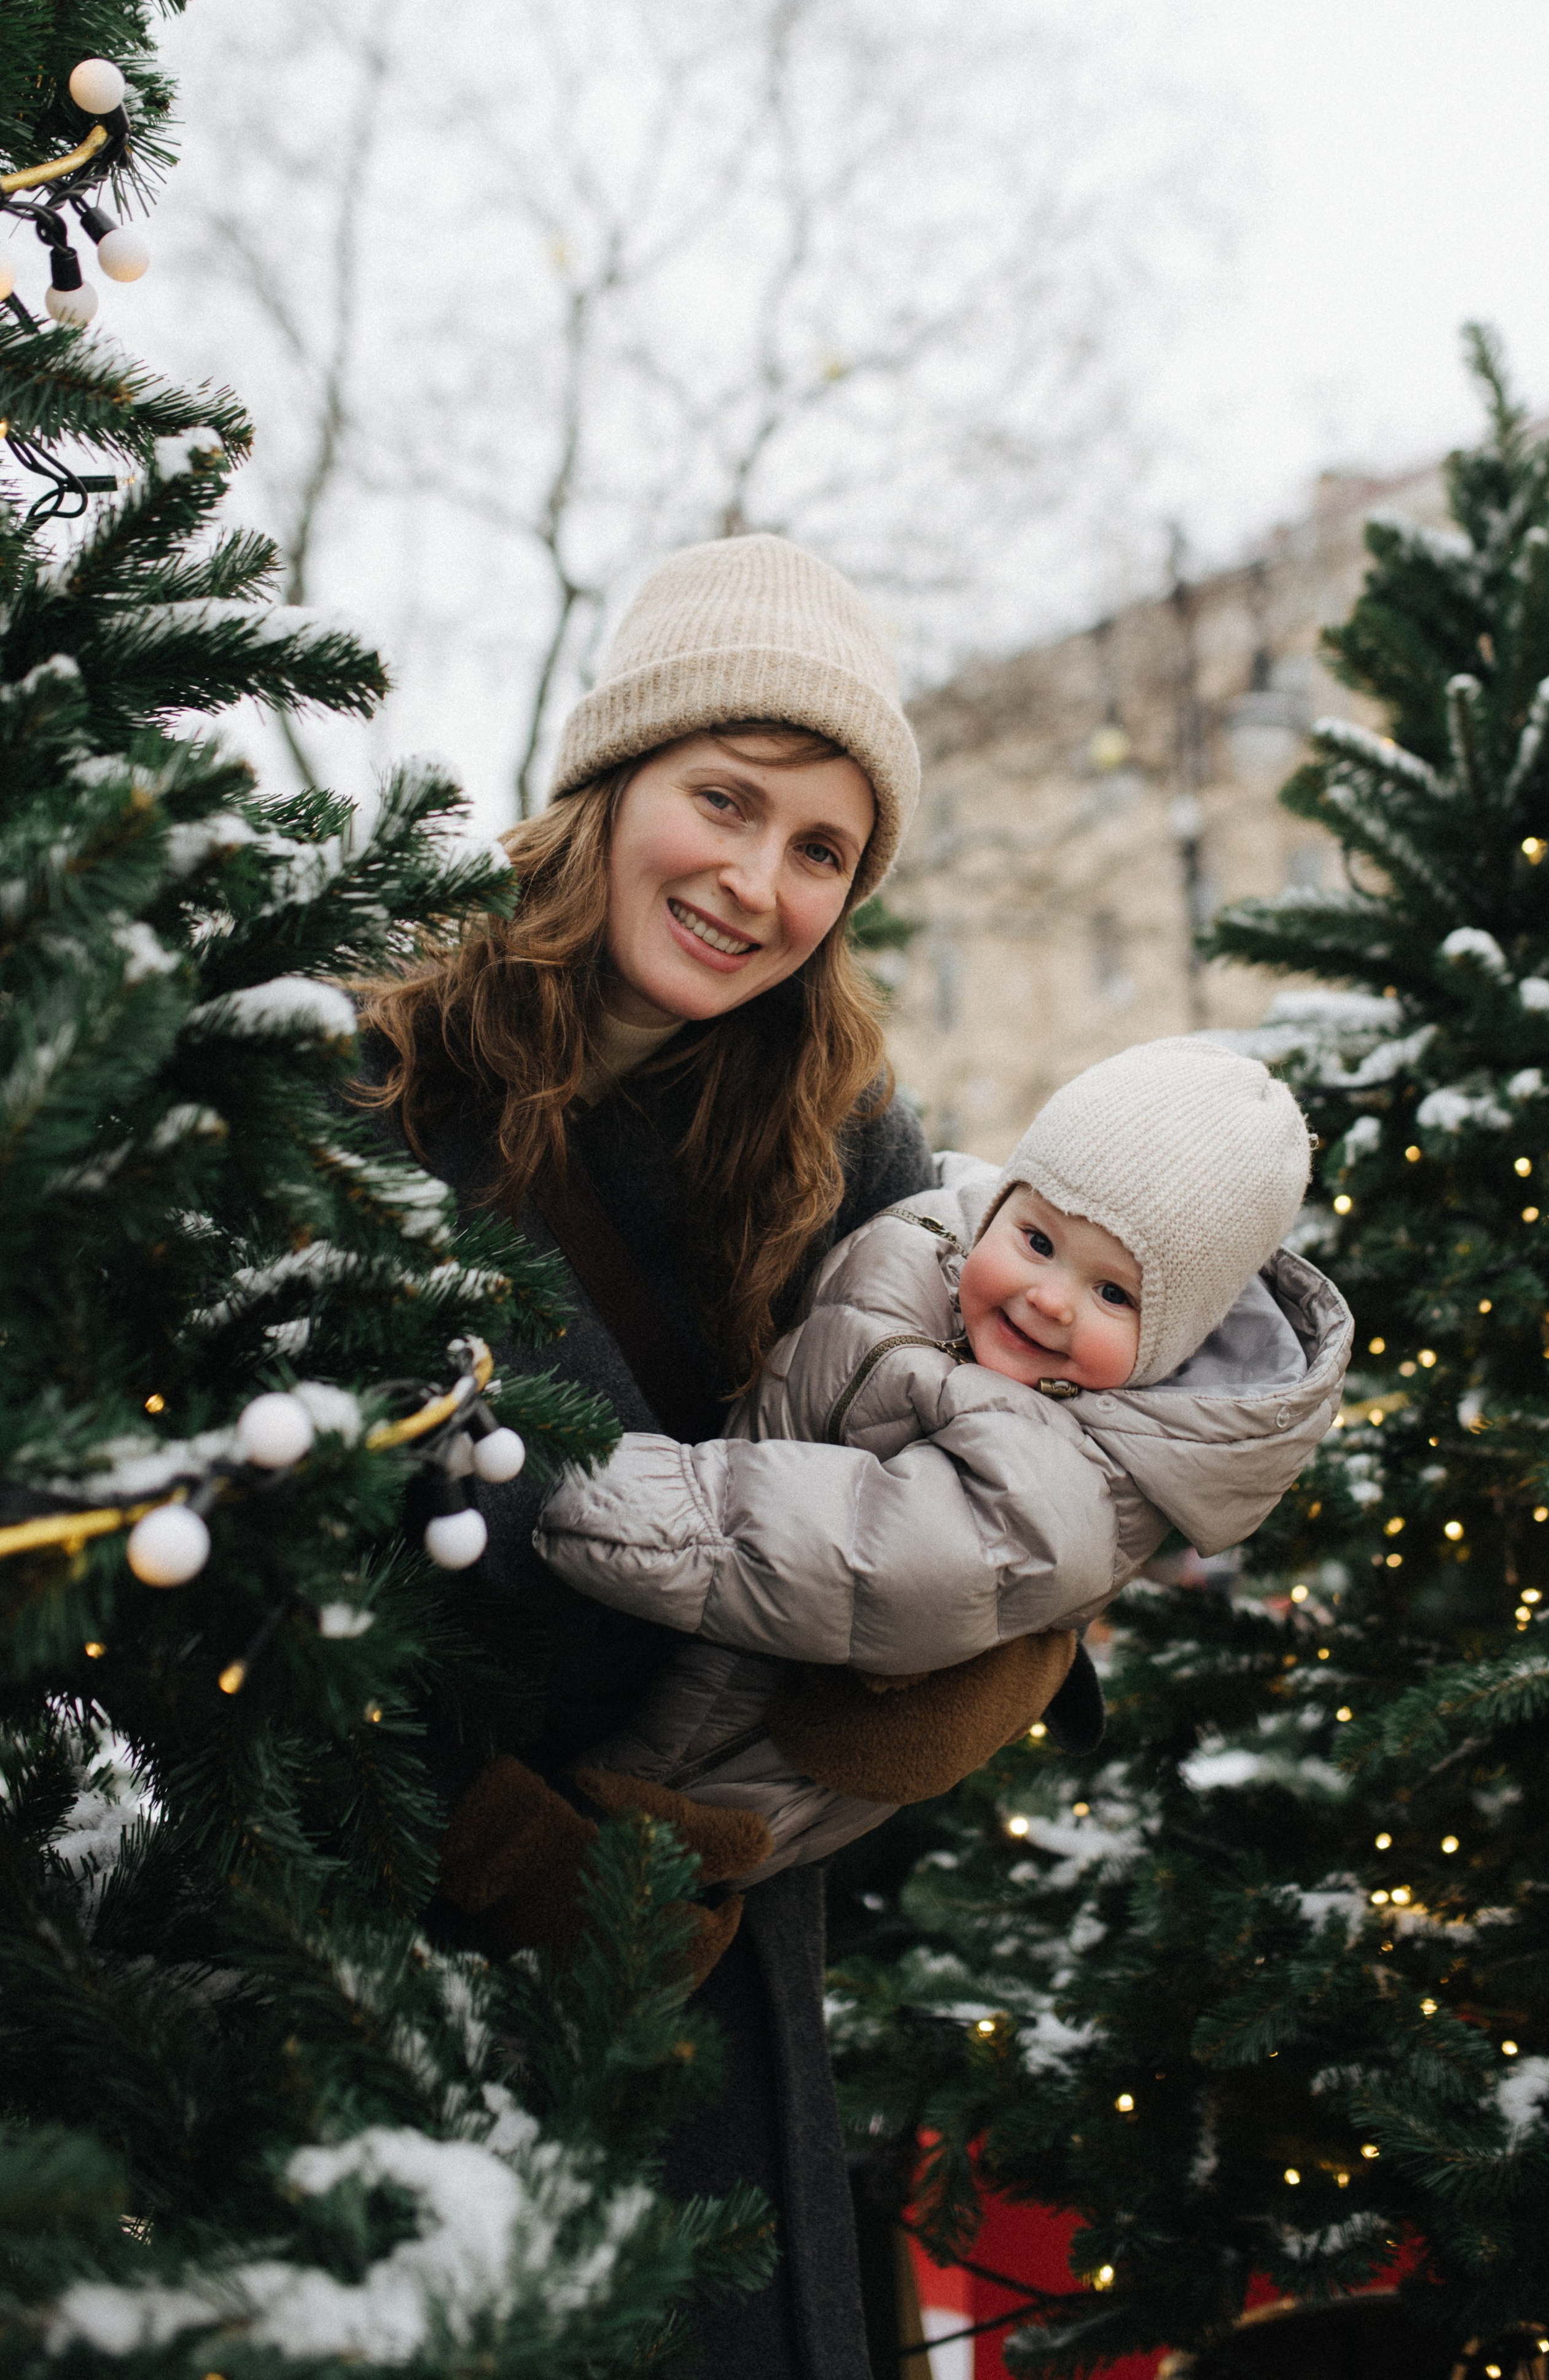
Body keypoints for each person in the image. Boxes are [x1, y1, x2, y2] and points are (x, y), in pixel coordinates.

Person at [356, 531, 936, 2380]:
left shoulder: (852, 1154)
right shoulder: (355, 1081)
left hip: (710, 1951)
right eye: (728, 802)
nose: (758, 883)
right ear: (610, 787)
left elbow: (984, 1479)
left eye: (822, 849)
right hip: (366, 1950)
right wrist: (475, 1829)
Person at [477, 1037, 1350, 1947]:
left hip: (757, 1711)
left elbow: (880, 1556)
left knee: (627, 1853)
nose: (1051, 1298)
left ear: (1173, 1341)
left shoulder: (1069, 1484)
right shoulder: (936, 1231)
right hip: (692, 1608)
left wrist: (595, 1488)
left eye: (1114, 1295)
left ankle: (642, 1949)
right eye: (1039, 1241)